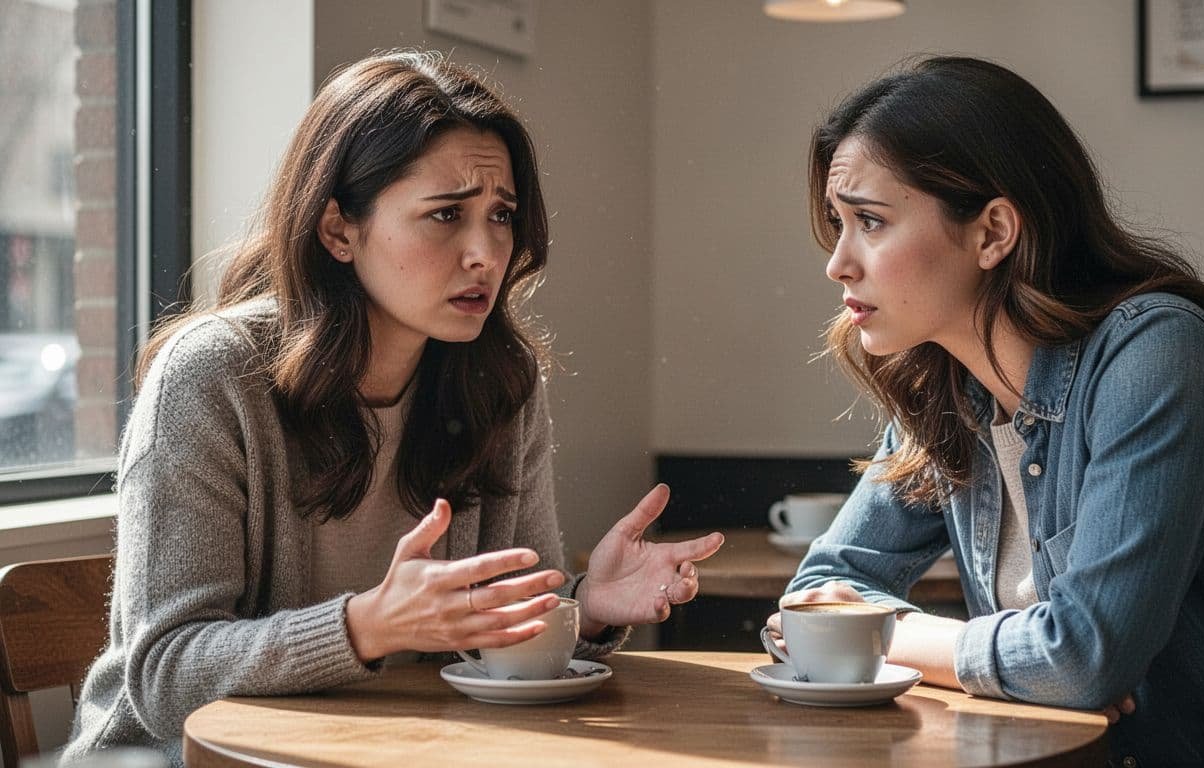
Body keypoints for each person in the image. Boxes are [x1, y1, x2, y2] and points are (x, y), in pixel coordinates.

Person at [64, 51, 722, 765]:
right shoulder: (210, 377)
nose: (486, 254)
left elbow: (490, 623)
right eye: (446, 215)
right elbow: (166, 679)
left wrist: (584, 605)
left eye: (501, 216)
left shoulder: (501, 381)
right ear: (338, 230)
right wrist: (364, 627)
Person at [767, 56, 1204, 765]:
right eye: (837, 223)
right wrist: (1031, 663)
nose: (838, 262)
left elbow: (1082, 660)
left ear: (992, 232)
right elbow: (809, 600)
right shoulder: (946, 392)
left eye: (869, 221)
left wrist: (890, 635)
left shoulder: (1157, 355)